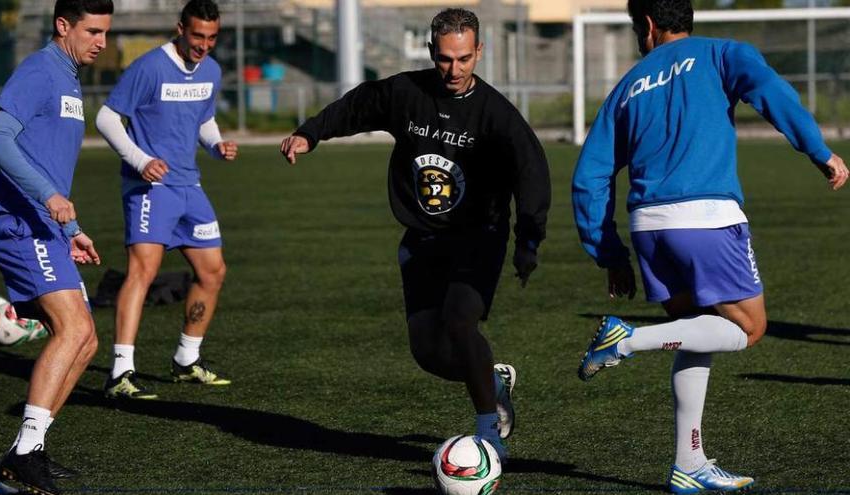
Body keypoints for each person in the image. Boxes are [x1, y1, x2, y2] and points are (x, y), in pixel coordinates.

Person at [572, 0, 848, 493]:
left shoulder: (627, 86)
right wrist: (818, 149)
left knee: (696, 331)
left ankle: (689, 463)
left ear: (649, 25)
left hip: (647, 228)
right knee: (749, 328)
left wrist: (609, 253)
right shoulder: (723, 53)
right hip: (706, 220)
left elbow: (590, 176)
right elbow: (770, 91)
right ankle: (627, 340)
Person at [280, 8, 550, 462]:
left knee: (460, 319)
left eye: (464, 59)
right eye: (445, 59)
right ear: (431, 52)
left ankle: (489, 434)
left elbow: (532, 172)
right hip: (423, 238)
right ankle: (492, 377)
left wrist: (528, 240)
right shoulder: (407, 93)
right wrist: (311, 134)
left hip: (478, 235)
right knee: (428, 351)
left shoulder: (495, 114)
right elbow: (358, 105)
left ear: (479, 52)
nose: (454, 69)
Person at [0, 1, 112, 493]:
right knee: (72, 327)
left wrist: (71, 226)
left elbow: (48, 156)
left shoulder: (71, 78)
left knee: (88, 339)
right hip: (17, 224)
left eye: (105, 32)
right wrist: (50, 197)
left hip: (47, 227)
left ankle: (27, 449)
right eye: (92, 30)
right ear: (63, 26)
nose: (101, 41)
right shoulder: (39, 70)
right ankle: (26, 450)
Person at [96, 0, 238, 399]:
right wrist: (140, 161)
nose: (204, 45)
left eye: (211, 38)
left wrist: (216, 145)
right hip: (150, 189)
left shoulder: (210, 69)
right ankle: (120, 373)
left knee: (213, 271)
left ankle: (185, 360)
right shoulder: (149, 67)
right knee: (143, 271)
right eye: (197, 36)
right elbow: (107, 118)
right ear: (180, 29)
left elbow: (203, 119)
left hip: (189, 186)